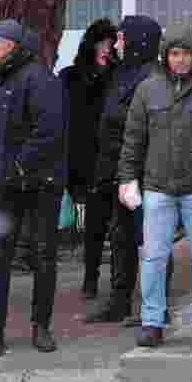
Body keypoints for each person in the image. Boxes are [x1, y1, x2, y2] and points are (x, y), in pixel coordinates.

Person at [118, 23, 192, 348]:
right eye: (174, 53)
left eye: (185, 53)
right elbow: (133, 140)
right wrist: (127, 178)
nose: (180, 60)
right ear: (165, 56)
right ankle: (152, 322)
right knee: (154, 256)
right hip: (157, 187)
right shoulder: (148, 91)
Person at [0, 19, 64, 357]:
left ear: (9, 46)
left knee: (43, 255)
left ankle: (42, 327)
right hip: (3, 188)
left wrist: (16, 166)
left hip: (41, 185)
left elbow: (48, 132)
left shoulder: (40, 78)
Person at [84, 15, 163, 324]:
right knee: (122, 236)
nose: (115, 44)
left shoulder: (152, 79)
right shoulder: (123, 73)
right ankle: (120, 300)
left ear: (137, 42)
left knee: (152, 238)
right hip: (122, 170)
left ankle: (155, 306)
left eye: (121, 39)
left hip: (144, 173)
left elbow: (148, 130)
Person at [58, 18, 118, 301]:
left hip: (113, 157)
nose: (106, 48)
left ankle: (116, 280)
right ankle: (90, 277)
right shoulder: (70, 76)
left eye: (110, 43)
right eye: (101, 42)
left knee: (115, 224)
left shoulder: (119, 75)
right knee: (93, 223)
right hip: (82, 159)